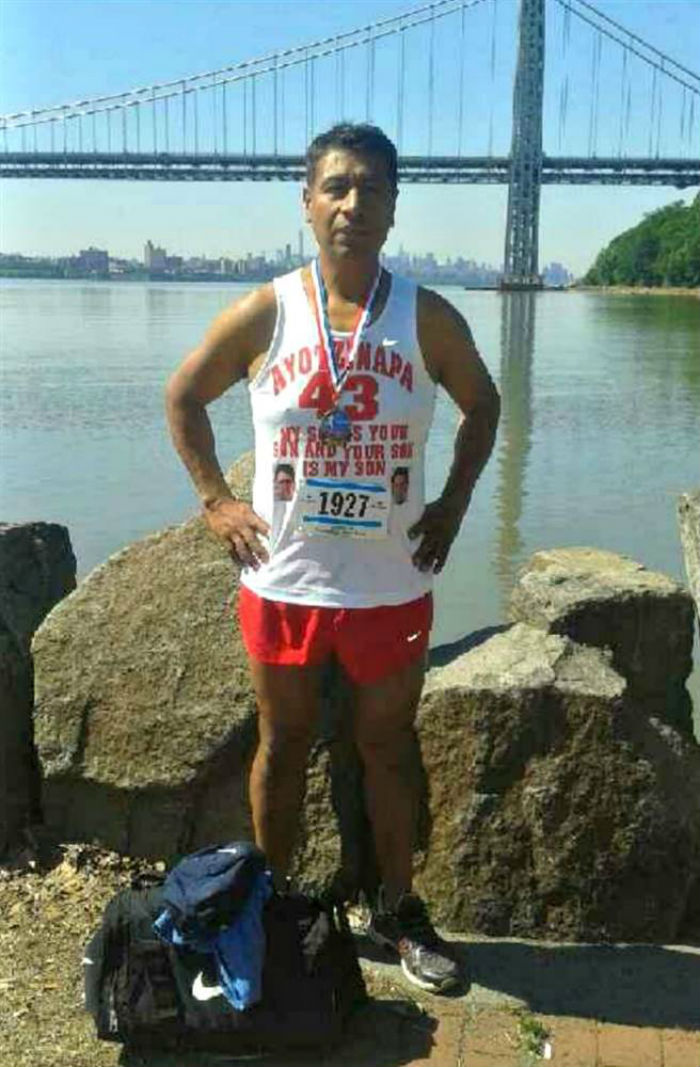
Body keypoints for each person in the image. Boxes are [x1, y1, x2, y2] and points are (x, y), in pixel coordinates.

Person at [165, 122, 500, 994]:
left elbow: (485, 404)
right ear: (307, 201)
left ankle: (396, 906)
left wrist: (456, 503)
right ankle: (269, 908)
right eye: (338, 187)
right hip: (283, 580)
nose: (354, 205)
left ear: (393, 208)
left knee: (386, 747)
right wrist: (215, 501)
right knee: (283, 742)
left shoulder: (424, 314)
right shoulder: (267, 310)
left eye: (373, 190)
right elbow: (183, 396)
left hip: (391, 584)